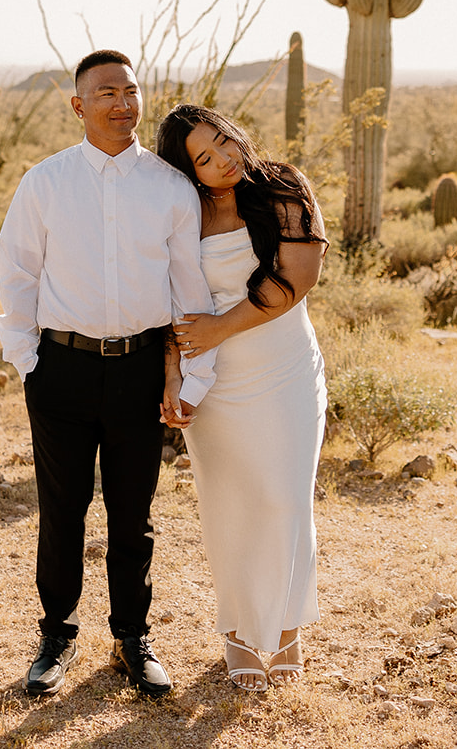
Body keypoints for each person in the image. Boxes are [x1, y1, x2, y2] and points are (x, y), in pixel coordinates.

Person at [0, 51, 217, 699]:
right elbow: (18, 273)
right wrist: (28, 363)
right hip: (60, 368)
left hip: (141, 370)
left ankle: (132, 639)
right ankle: (56, 638)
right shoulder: (46, 182)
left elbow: (188, 291)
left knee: (133, 512)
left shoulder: (171, 188)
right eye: (105, 93)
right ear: (78, 106)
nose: (122, 103)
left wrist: (188, 378)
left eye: (130, 90)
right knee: (62, 510)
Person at [155, 103, 329, 693]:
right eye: (204, 157)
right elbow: (172, 304)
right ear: (188, 172)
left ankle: (284, 629)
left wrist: (217, 329)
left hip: (285, 370)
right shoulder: (181, 212)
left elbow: (296, 280)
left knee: (285, 499)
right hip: (218, 385)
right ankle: (236, 630)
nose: (223, 158)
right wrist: (175, 375)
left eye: (224, 141)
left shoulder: (283, 187)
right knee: (231, 503)